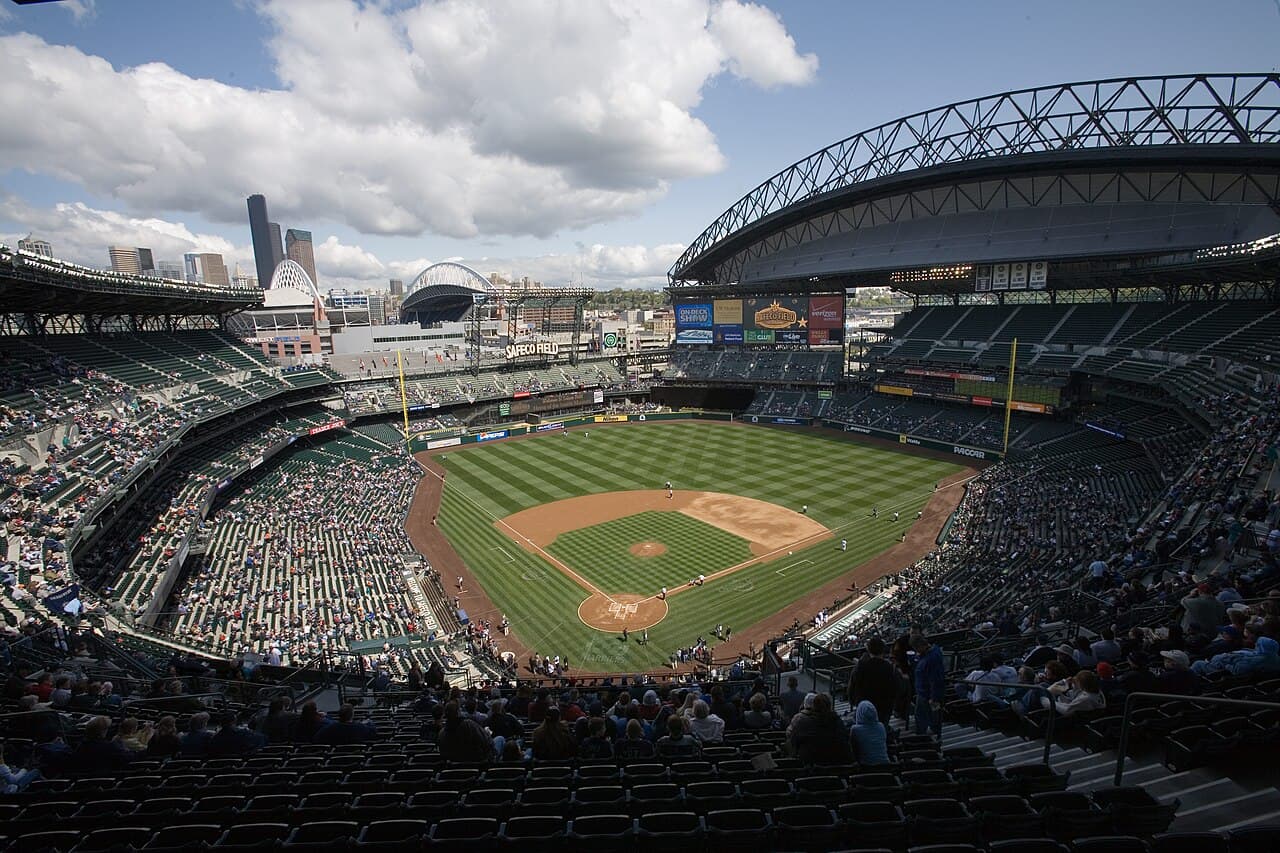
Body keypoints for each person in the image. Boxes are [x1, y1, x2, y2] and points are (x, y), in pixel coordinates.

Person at [787, 693, 852, 765]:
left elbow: (793, 741)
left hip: (811, 766)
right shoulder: (838, 722)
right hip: (838, 765)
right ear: (830, 706)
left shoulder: (803, 722)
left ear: (814, 706)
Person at [849, 637, 898, 726]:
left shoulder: (861, 666)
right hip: (884, 706)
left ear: (868, 649)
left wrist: (853, 701)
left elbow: (852, 686)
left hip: (864, 705)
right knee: (882, 727)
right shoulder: (889, 667)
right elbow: (894, 688)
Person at [912, 635, 945, 735]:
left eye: (916, 648)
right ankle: (932, 734)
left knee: (924, 717)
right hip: (924, 692)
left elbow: (935, 680)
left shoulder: (931, 658)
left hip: (926, 694)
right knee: (928, 716)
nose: (916, 651)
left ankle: (924, 737)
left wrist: (933, 697)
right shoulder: (930, 653)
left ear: (921, 646)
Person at [849, 700, 889, 766]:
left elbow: (854, 750)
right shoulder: (881, 726)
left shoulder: (855, 729)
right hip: (885, 765)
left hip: (866, 767)